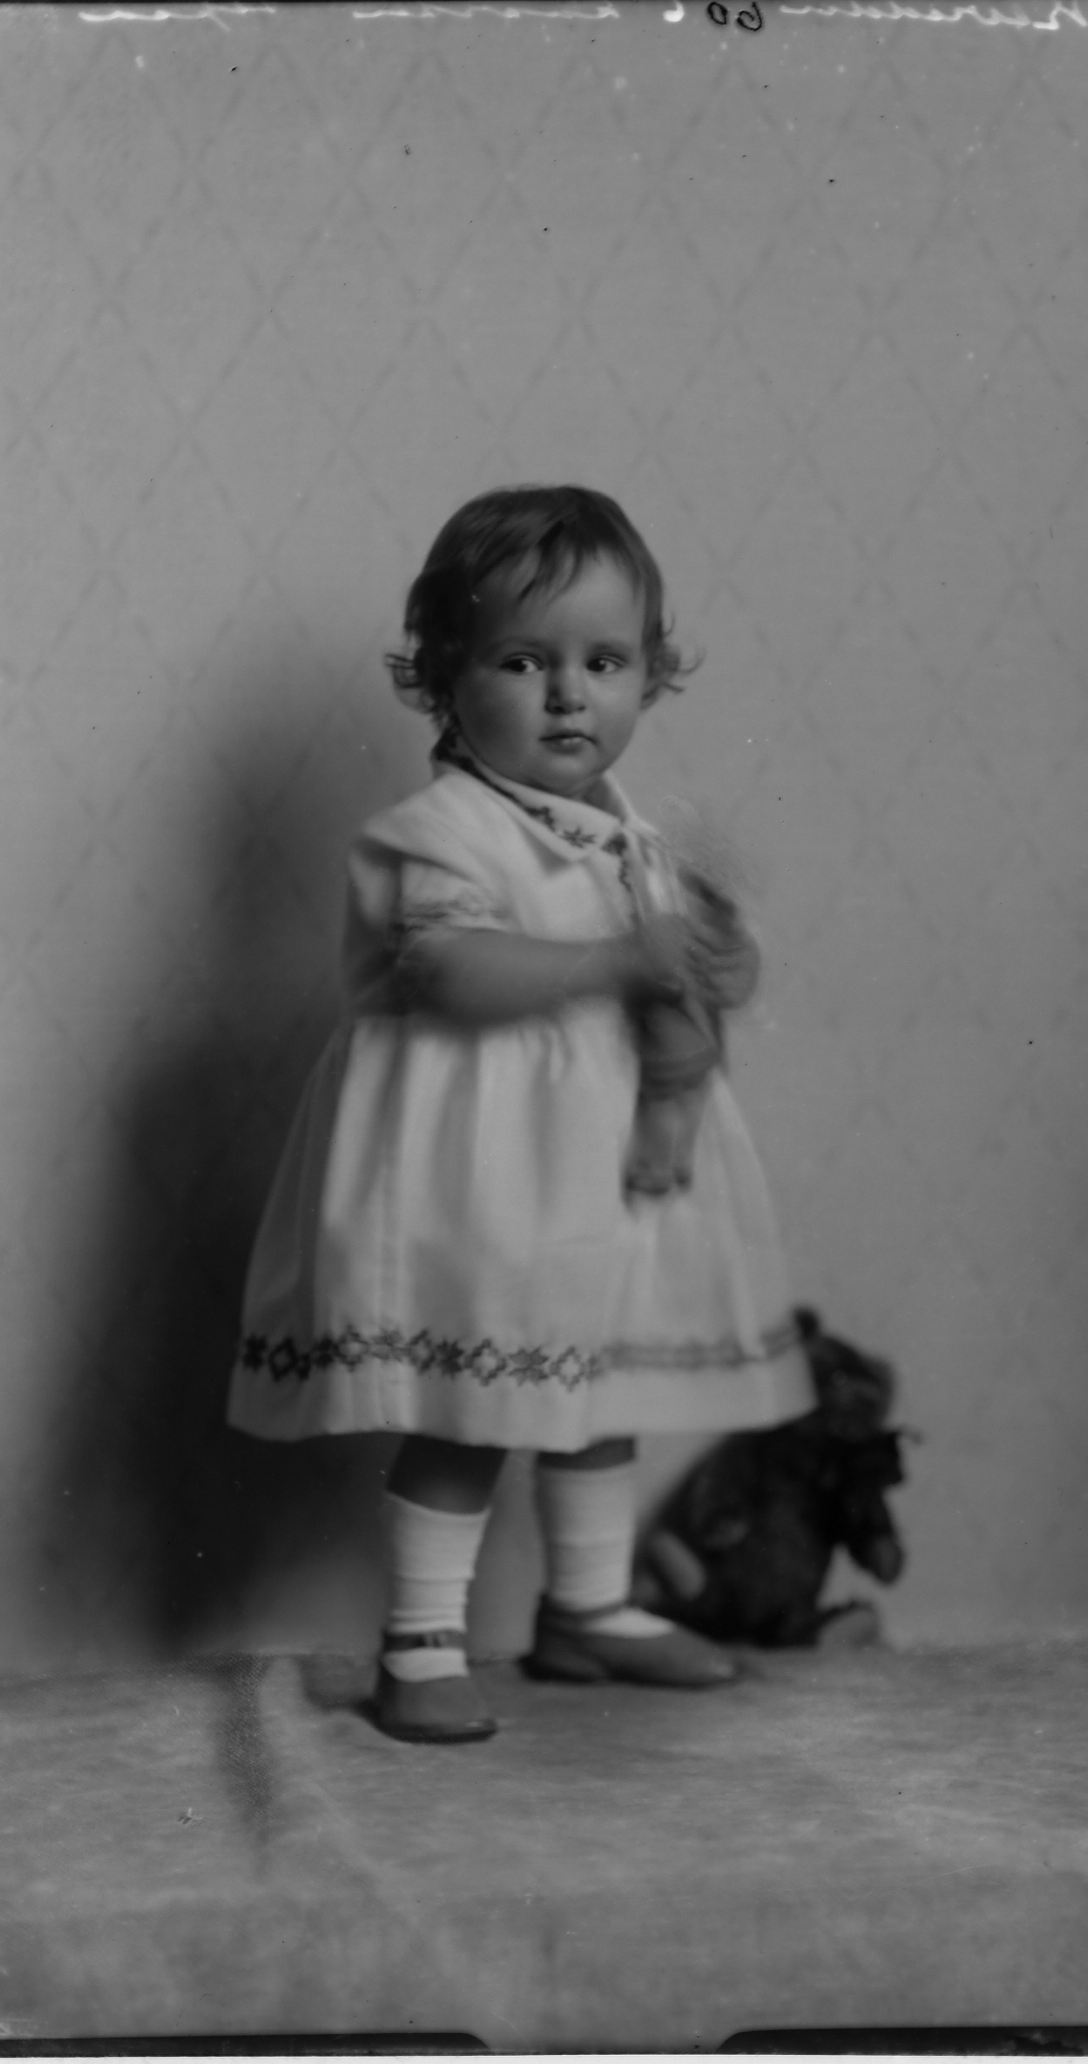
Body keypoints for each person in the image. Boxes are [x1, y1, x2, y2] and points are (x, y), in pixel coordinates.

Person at [226, 486, 815, 1743]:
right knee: (478, 1397)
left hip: (605, 1158)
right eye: (521, 661)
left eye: (603, 662)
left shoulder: (628, 833)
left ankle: (587, 1605)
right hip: (481, 1164)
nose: (566, 696)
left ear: (649, 673)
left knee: (595, 1387)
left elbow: (686, 969)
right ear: (445, 675)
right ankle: (420, 1640)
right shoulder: (442, 831)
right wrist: (616, 962)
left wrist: (713, 962)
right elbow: (448, 970)